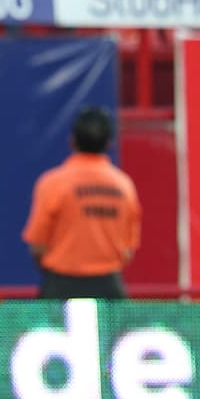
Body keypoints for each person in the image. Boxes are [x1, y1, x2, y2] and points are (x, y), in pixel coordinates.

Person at [22, 108, 140, 301]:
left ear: (72, 141)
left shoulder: (52, 183)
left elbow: (37, 246)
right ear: (109, 143)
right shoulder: (124, 186)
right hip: (109, 290)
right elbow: (128, 250)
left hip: (59, 288)